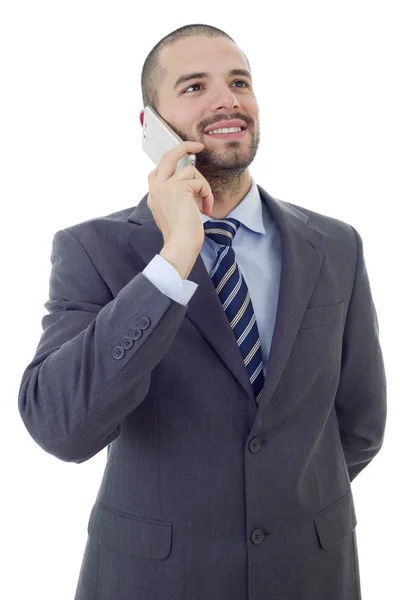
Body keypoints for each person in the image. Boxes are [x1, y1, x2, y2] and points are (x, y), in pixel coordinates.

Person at [18, 23, 387, 600]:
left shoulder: (336, 245)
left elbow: (360, 425)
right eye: (194, 87)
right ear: (151, 127)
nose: (227, 99)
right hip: (156, 581)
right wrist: (173, 259)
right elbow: (62, 427)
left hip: (312, 574)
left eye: (239, 81)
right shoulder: (92, 249)